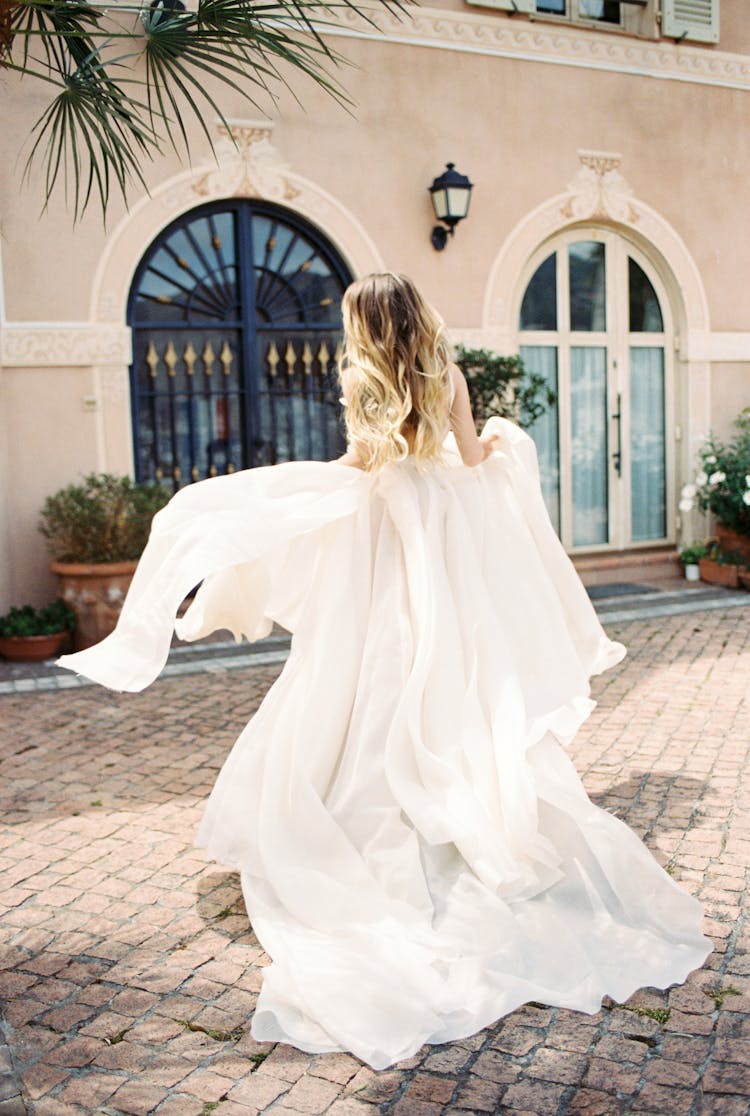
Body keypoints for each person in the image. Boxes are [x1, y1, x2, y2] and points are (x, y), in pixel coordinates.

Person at [59, 272, 712, 1071]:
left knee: (360, 672)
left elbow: (364, 463)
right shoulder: (449, 373)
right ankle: (429, 799)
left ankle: (347, 809)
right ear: (417, 313)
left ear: (363, 326)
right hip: (434, 538)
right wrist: (504, 443)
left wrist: (312, 489)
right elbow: (470, 460)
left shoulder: (364, 380)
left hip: (382, 535)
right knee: (441, 671)